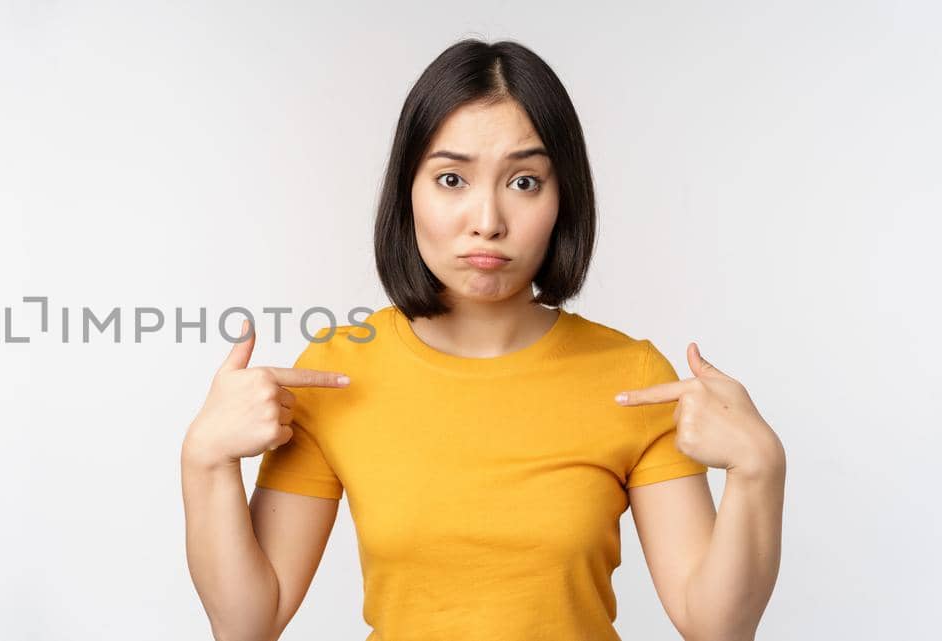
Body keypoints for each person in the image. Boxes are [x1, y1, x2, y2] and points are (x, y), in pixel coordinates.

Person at [179, 39, 786, 641]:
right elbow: (248, 624)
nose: (488, 220)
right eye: (451, 179)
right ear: (407, 192)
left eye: (524, 182)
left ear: (562, 198)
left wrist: (760, 470)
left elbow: (716, 629)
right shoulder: (336, 372)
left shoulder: (632, 376)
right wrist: (205, 459)